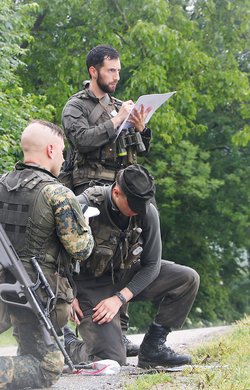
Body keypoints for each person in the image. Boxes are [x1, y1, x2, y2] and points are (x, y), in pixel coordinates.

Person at [61, 44, 152, 357]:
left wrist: (141, 128)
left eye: (118, 70)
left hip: (121, 194)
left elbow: (136, 149)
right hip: (89, 194)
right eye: (111, 70)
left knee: (124, 256)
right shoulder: (76, 106)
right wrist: (116, 121)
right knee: (92, 262)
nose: (116, 75)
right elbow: (81, 140)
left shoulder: (117, 106)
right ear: (93, 71)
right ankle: (73, 328)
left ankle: (120, 333)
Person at [68, 164, 200, 367]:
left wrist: (119, 298)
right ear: (116, 192)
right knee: (111, 360)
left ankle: (153, 348)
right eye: (134, 206)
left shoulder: (146, 211)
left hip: (123, 276)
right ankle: (70, 347)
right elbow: (56, 254)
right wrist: (68, 294)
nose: (138, 212)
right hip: (89, 284)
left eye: (142, 207)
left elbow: (152, 265)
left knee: (187, 278)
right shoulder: (83, 204)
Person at [0, 120, 94, 389]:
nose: (64, 158)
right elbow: (81, 249)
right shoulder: (57, 193)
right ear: (51, 150)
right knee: (48, 368)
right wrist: (85, 225)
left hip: (6, 290)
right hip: (37, 294)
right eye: (63, 151)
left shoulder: (1, 184)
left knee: (30, 353)